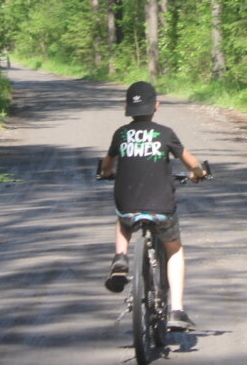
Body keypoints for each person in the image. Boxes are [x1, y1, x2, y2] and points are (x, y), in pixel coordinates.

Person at [98, 81, 208, 332]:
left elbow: (107, 166)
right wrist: (198, 172)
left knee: (123, 216)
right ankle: (177, 311)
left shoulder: (121, 134)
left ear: (126, 107)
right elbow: (190, 162)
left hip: (128, 203)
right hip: (161, 205)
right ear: (156, 106)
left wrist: (106, 173)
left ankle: (120, 259)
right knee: (174, 250)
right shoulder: (165, 133)